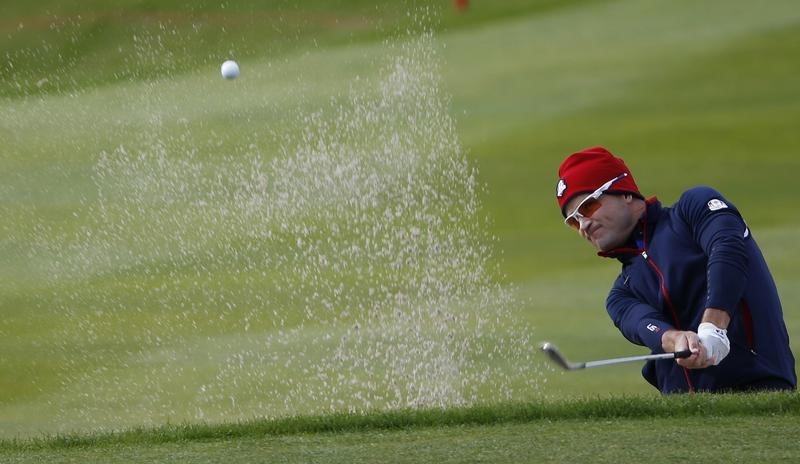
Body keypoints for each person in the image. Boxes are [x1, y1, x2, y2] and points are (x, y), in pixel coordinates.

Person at [555, 146, 796, 393]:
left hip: (761, 386)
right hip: (684, 417)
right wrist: (674, 339)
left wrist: (714, 326)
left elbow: (727, 248)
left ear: (623, 192)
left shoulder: (694, 209)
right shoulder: (620, 295)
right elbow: (643, 324)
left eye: (587, 207)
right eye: (574, 221)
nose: (583, 225)